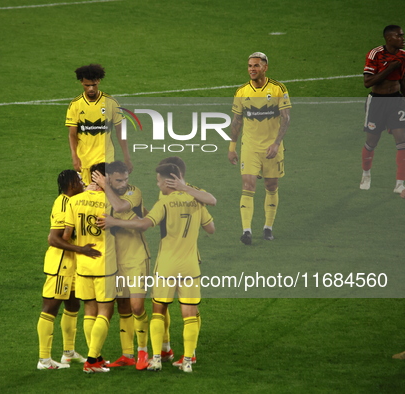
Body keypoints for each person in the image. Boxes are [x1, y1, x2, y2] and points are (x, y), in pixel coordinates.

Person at [99, 163, 215, 373]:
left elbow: (144, 224)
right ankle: (188, 360)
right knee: (190, 314)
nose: (157, 184)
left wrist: (115, 221)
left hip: (167, 266)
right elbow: (211, 228)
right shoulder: (197, 198)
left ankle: (156, 358)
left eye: (159, 181)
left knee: (158, 312)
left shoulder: (165, 202)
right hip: (190, 266)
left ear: (168, 181)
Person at [36, 170, 102, 370]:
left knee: (73, 306)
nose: (83, 182)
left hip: (75, 265)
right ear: (72, 183)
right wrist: (80, 249)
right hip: (61, 264)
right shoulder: (63, 202)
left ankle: (68, 353)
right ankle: (44, 360)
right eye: (80, 180)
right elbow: (54, 239)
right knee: (50, 308)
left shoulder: (76, 200)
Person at [156, 156, 216, 366]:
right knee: (190, 308)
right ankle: (189, 353)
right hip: (190, 259)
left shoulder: (173, 193)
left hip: (169, 259)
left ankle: (165, 349)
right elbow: (210, 228)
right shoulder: (194, 194)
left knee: (161, 306)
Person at [91, 161, 150, 371]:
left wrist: (106, 186)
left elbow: (120, 207)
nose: (124, 183)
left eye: (126, 179)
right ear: (109, 178)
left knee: (137, 307)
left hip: (136, 258)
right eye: (119, 180)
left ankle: (143, 352)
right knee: (123, 307)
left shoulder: (133, 192)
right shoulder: (103, 194)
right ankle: (128, 354)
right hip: (114, 260)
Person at [228, 52, 291, 245]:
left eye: (256, 66)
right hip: (250, 146)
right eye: (249, 66)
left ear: (265, 67)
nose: (252, 69)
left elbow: (286, 118)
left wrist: (276, 143)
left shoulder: (278, 89)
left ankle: (268, 227)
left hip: (272, 147)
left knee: (271, 186)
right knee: (248, 186)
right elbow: (236, 121)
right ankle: (246, 231)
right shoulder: (241, 92)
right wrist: (232, 146)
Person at [63, 163, 118, 373]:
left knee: (89, 311)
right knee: (105, 311)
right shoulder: (110, 201)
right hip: (105, 263)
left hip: (83, 262)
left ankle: (95, 356)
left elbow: (67, 235)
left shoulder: (74, 201)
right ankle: (92, 360)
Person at [65, 64, 132, 185]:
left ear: (99, 81)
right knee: (89, 194)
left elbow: (120, 131)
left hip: (106, 158)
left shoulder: (111, 102)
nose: (91, 89)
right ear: (81, 83)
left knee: (108, 193)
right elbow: (72, 135)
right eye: (87, 85)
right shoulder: (75, 105)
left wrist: (127, 157)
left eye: (93, 85)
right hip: (85, 160)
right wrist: (75, 157)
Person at [359, 25, 405, 193]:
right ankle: (366, 174)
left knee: (402, 142)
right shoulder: (375, 54)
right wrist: (390, 68)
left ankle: (400, 183)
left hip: (396, 101)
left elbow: (403, 80)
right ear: (389, 38)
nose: (402, 38)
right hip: (377, 102)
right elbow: (368, 82)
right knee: (372, 142)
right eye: (399, 36)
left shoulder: (403, 55)